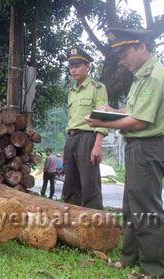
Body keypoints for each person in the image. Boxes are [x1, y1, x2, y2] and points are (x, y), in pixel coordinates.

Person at [85, 28, 164, 278]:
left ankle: (155, 269)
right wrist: (113, 110)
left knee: (147, 208)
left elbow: (140, 121)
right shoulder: (141, 76)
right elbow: (133, 110)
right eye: (120, 56)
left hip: (148, 147)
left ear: (142, 47)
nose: (123, 61)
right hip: (138, 148)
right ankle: (130, 256)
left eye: (125, 54)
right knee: (132, 207)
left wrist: (103, 123)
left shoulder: (154, 76)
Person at [61, 46, 108, 210]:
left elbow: (102, 117)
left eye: (77, 66)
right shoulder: (71, 92)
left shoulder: (97, 87)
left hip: (88, 138)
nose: (73, 70)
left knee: (89, 184)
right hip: (71, 138)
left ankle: (96, 223)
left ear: (87, 67)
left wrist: (97, 145)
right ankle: (71, 224)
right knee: (70, 183)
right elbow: (71, 121)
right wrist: (66, 147)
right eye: (71, 67)